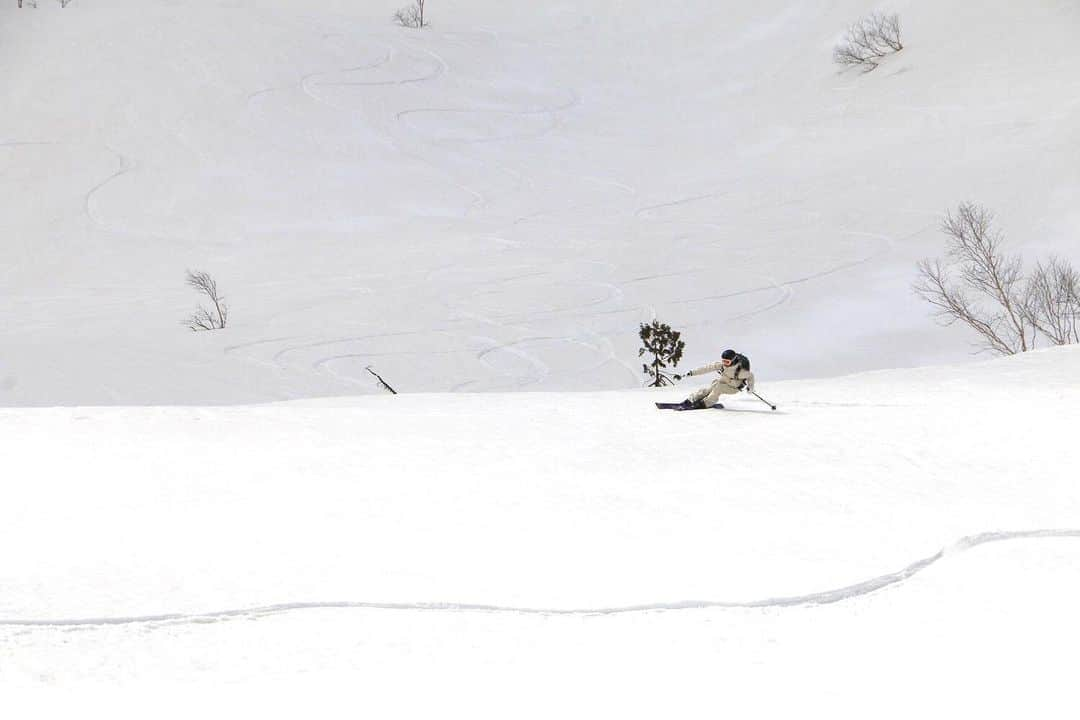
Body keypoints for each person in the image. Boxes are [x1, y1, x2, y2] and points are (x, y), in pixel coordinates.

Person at [675, 349, 755, 409]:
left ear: (733, 361)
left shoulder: (739, 371)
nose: (724, 364)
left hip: (733, 388)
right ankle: (692, 399)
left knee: (718, 388)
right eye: (723, 361)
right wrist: (692, 373)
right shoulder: (721, 365)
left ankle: (706, 403)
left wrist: (750, 387)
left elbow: (750, 376)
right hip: (723, 382)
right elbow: (707, 368)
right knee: (711, 387)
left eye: (727, 362)